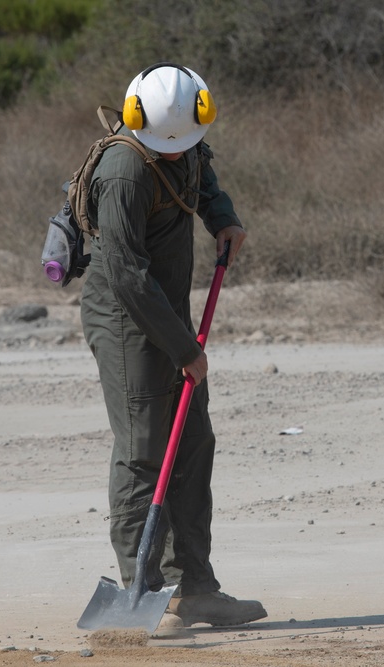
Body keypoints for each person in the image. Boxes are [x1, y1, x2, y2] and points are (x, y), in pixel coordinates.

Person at [80, 62, 266, 635]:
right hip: (125, 317)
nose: (173, 151)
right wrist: (186, 349)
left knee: (191, 442)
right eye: (166, 146)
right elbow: (127, 275)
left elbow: (200, 176)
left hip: (166, 311)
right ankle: (143, 590)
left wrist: (222, 217)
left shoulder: (181, 138)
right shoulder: (123, 171)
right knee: (143, 450)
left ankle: (197, 589)